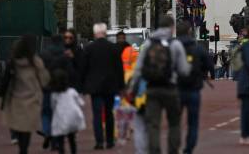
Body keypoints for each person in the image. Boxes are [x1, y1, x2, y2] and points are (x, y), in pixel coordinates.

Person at [131, 15, 191, 154]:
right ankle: (172, 150)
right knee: (174, 123)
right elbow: (183, 70)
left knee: (153, 124)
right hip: (170, 88)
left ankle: (154, 151)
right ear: (171, 27)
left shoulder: (148, 44)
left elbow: (138, 69)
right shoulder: (175, 44)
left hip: (152, 88)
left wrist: (133, 87)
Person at [2, 34, 51, 154]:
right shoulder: (36, 62)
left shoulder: (13, 62)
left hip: (15, 100)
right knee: (27, 130)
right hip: (32, 100)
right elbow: (45, 80)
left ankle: (20, 146)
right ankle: (24, 149)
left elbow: (5, 81)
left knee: (18, 127)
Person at [80, 22, 124, 149]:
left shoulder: (89, 49)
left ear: (94, 34)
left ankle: (99, 141)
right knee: (109, 114)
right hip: (110, 86)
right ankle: (110, 140)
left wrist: (83, 86)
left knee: (97, 114)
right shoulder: (113, 48)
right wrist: (121, 86)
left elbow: (84, 69)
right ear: (105, 33)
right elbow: (119, 69)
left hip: (95, 87)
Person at [176, 20, 213, 154]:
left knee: (175, 121)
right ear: (190, 32)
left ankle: (174, 146)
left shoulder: (172, 47)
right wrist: (204, 72)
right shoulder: (198, 48)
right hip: (193, 88)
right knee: (193, 122)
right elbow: (210, 64)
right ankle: (189, 148)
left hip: (177, 88)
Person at [50, 68, 85, 154]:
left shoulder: (54, 94)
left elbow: (53, 107)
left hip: (61, 119)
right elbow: (81, 103)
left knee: (60, 140)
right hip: (72, 118)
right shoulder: (72, 91)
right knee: (72, 139)